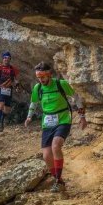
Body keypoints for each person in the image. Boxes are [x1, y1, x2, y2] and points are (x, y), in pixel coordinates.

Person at [24, 62, 87, 192]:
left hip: (63, 119)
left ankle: (57, 180)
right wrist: (29, 116)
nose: (41, 80)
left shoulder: (60, 84)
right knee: (46, 156)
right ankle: (59, 180)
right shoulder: (38, 88)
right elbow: (34, 102)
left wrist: (82, 117)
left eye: (43, 77)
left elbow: (76, 97)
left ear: (49, 75)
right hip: (47, 122)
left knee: (56, 146)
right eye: (38, 78)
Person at [0, 51, 20, 132]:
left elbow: (15, 79)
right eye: (5, 58)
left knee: (7, 109)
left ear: (10, 59)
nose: (6, 59)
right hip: (1, 88)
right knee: (0, 105)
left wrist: (17, 85)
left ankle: (2, 121)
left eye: (8, 58)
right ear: (3, 59)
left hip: (9, 89)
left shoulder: (13, 69)